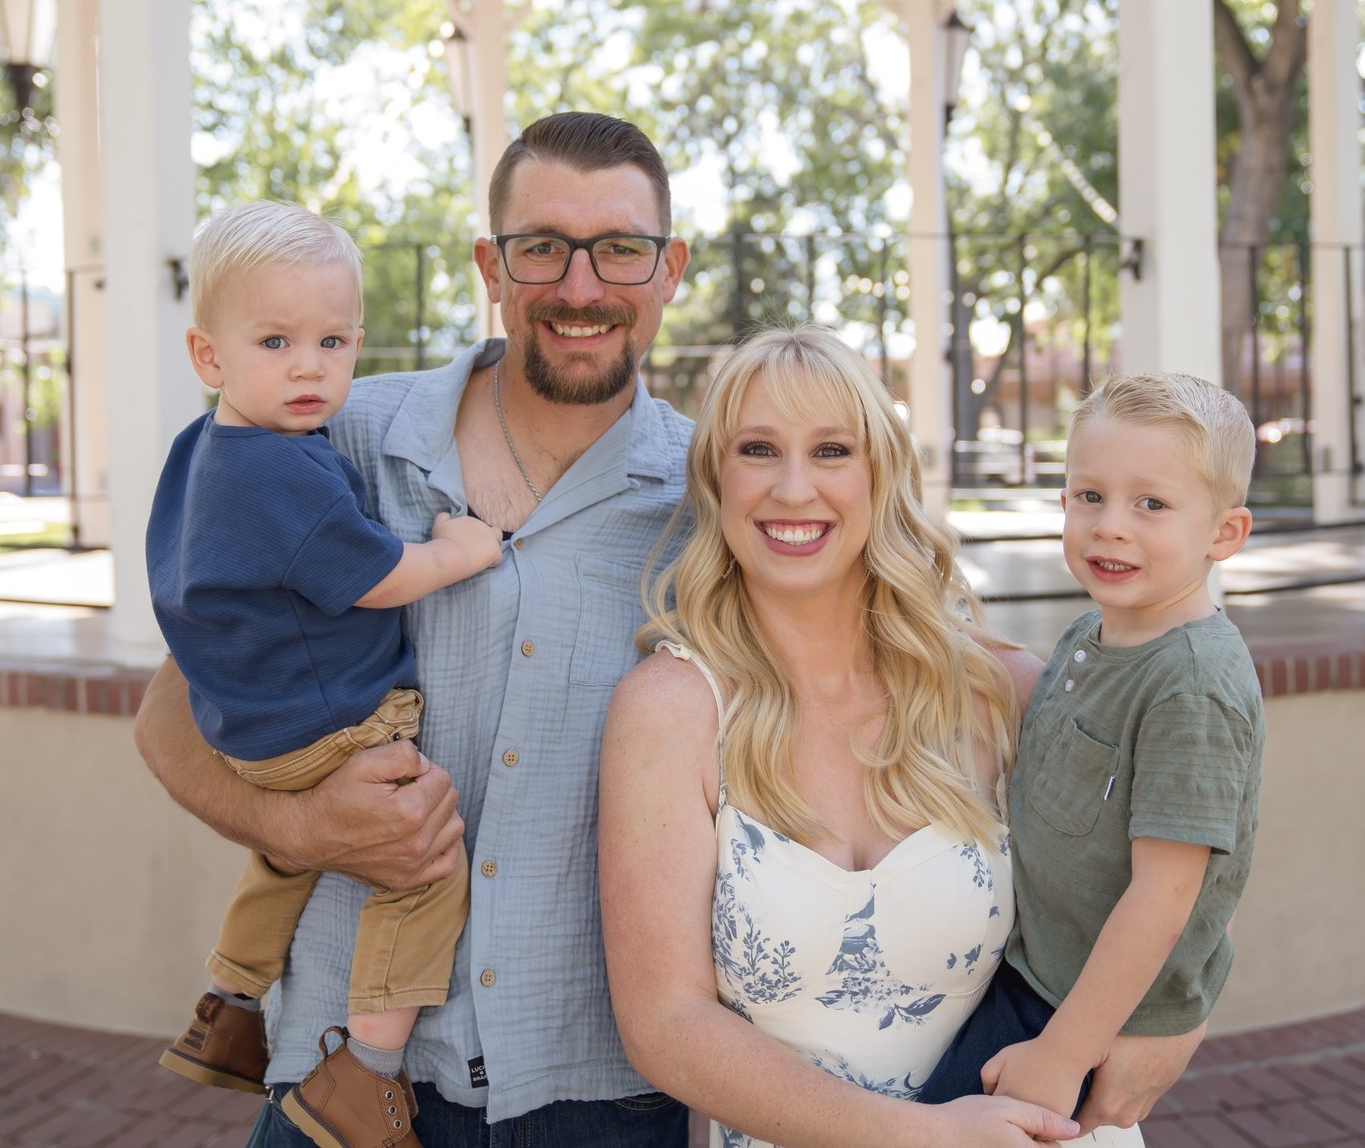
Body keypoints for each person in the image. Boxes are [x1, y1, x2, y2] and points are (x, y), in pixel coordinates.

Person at [134, 113, 694, 1147]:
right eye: (541, 248)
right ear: (492, 265)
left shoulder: (711, 504)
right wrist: (301, 830)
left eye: (620, 248)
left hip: (599, 1089)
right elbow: (170, 718)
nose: (581, 286)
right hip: (334, 1080)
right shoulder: (326, 432)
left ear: (670, 270)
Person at [600, 324, 1086, 1148]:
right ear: (716, 480)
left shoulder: (996, 690)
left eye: (831, 450)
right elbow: (665, 1022)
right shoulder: (670, 712)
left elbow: (1155, 878)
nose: (794, 489)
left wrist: (1162, 1031)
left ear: (879, 474)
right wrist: (920, 1136)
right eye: (758, 448)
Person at [146, 201, 504, 1146]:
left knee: (291, 851)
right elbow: (383, 575)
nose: (310, 366)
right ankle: (366, 1072)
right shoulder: (283, 472)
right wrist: (459, 550)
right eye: (276, 340)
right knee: (424, 862)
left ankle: (229, 999)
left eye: (334, 340)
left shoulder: (204, 450)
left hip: (253, 730)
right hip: (335, 722)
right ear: (209, 356)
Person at [918, 372, 1264, 1126]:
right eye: (1088, 495)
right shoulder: (1091, 633)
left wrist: (1064, 1051)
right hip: (1036, 968)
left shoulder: (1189, 686)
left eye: (1151, 503)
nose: (1109, 525)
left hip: (1071, 1008)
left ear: (1223, 534)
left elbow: (1164, 894)